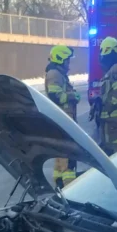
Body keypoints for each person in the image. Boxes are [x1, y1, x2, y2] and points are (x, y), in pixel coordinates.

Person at [45, 45, 80, 188]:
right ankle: (70, 191)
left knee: (60, 161)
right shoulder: (55, 74)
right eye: (67, 60)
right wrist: (73, 96)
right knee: (69, 160)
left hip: (62, 121)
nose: (69, 64)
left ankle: (60, 186)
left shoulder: (57, 73)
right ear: (60, 59)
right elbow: (55, 96)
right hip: (63, 122)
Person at [97, 37, 117, 156]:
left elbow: (116, 95)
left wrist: (106, 108)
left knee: (115, 150)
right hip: (110, 117)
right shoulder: (114, 68)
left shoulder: (116, 69)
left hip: (112, 117)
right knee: (109, 148)